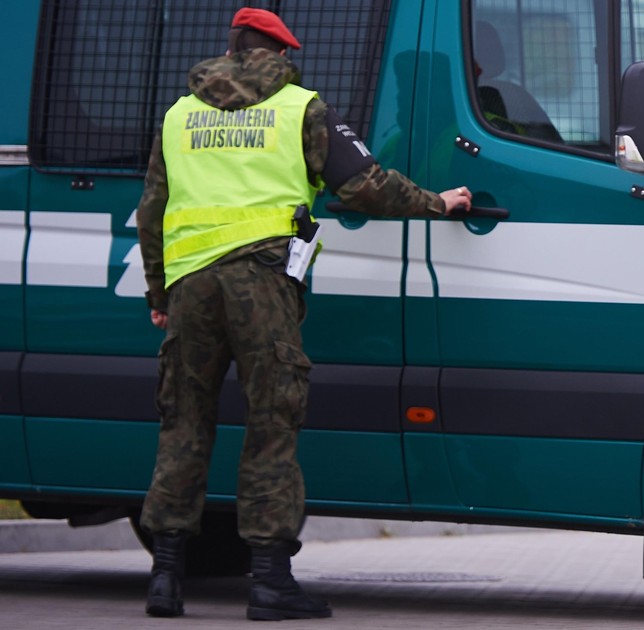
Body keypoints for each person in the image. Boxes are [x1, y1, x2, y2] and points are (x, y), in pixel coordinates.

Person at [135, 8, 472, 621]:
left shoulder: (180, 114)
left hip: (190, 289)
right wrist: (436, 202)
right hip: (261, 285)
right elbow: (364, 185)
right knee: (271, 423)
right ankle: (268, 583)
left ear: (233, 48)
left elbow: (151, 211)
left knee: (183, 423)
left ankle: (164, 577)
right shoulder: (298, 105)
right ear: (278, 53)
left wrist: (160, 295)